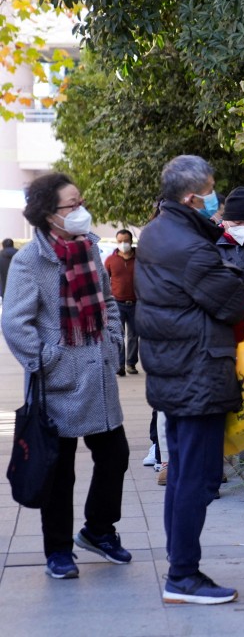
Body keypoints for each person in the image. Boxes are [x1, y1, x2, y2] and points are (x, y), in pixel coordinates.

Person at [1, 173, 131, 580]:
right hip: (59, 381)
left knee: (116, 455)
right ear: (49, 214)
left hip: (98, 374)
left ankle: (98, 529)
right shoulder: (30, 260)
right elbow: (15, 322)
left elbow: (108, 301)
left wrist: (111, 342)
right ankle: (57, 550)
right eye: (72, 205)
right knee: (60, 470)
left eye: (80, 202)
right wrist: (48, 360)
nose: (80, 211)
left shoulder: (89, 249)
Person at [134, 155, 244, 604]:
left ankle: (180, 568)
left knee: (181, 473)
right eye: (212, 192)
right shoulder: (190, 246)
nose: (216, 201)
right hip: (197, 371)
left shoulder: (157, 231)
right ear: (191, 197)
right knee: (196, 479)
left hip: (175, 369)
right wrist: (234, 279)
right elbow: (231, 303)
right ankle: (183, 575)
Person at [103, 230, 139, 377]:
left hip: (136, 303)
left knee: (133, 335)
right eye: (120, 241)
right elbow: (105, 282)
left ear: (131, 241)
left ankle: (131, 364)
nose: (123, 244)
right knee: (118, 335)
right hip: (117, 303)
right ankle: (120, 365)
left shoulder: (139, 259)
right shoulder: (110, 260)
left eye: (125, 240)